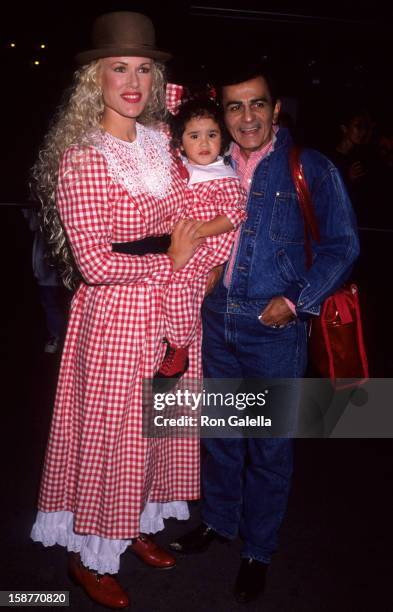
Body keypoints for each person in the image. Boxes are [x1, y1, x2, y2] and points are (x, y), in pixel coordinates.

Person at [29, 12, 235, 609]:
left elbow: (201, 147)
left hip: (170, 309)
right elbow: (93, 262)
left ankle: (136, 521)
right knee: (111, 435)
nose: (133, 81)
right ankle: (89, 555)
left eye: (144, 68)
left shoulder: (160, 142)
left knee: (157, 429)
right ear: (93, 77)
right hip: (118, 315)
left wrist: (198, 261)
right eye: (117, 67)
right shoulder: (82, 157)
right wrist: (169, 258)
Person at [170, 62, 360, 604]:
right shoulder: (207, 160)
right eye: (234, 106)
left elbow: (342, 246)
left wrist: (296, 302)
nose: (246, 116)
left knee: (269, 449)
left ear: (276, 108)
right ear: (222, 113)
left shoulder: (311, 167)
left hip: (272, 328)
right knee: (223, 437)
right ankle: (220, 523)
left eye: (257, 104)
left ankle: (258, 550)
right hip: (215, 318)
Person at [154, 92, 247, 384]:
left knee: (181, 287)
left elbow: (234, 215)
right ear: (181, 143)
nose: (204, 143)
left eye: (211, 135)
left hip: (205, 249)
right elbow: (162, 133)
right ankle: (170, 341)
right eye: (194, 136)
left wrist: (198, 231)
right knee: (170, 289)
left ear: (223, 139)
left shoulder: (223, 176)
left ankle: (179, 347)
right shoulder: (186, 169)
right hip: (186, 245)